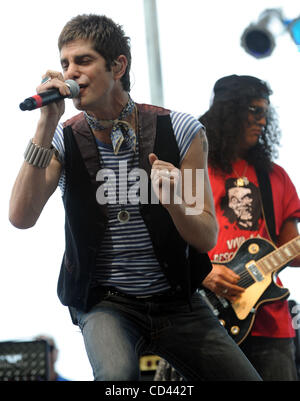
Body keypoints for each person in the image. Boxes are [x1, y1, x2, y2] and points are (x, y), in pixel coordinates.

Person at [9, 15, 261, 381]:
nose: (71, 73)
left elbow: (206, 236)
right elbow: (21, 216)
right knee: (116, 379)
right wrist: (46, 124)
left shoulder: (180, 130)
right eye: (65, 63)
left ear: (118, 66)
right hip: (105, 303)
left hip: (178, 300)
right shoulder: (63, 138)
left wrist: (173, 200)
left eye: (83, 61)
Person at [200, 74, 300, 381]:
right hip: (207, 316)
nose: (262, 121)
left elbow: (293, 252)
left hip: (270, 323)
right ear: (229, 112)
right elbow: (172, 240)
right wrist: (203, 271)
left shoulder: (276, 177)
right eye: (254, 111)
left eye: (266, 113)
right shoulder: (196, 169)